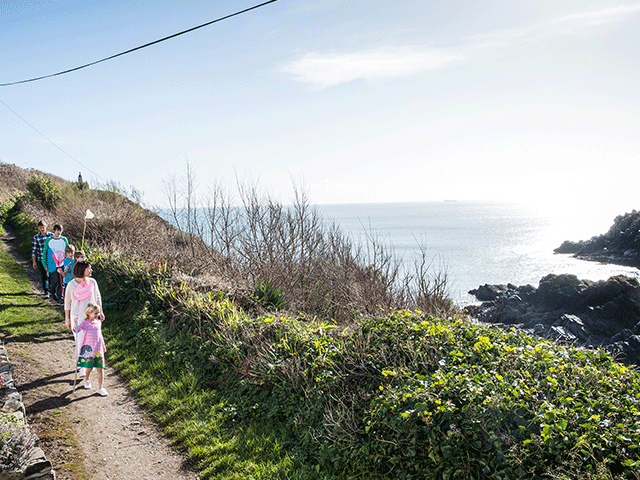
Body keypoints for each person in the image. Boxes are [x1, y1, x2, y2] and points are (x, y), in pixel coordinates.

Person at [64, 261, 103, 376]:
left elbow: (97, 298)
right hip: (78, 318)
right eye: (88, 269)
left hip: (92, 318)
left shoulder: (93, 282)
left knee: (92, 342)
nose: (91, 271)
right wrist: (67, 319)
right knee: (81, 343)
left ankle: (90, 364)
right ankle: (81, 367)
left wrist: (101, 312)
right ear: (82, 270)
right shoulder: (71, 285)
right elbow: (67, 303)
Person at [74, 302, 108, 396]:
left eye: (98, 313)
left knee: (100, 368)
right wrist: (75, 323)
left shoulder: (98, 323)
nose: (97, 315)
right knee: (89, 367)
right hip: (89, 350)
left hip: (98, 350)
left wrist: (103, 345)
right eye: (95, 313)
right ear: (88, 313)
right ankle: (87, 380)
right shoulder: (85, 323)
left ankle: (100, 388)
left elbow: (100, 335)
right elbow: (77, 330)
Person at [41, 224, 69, 303]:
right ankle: (52, 292)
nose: (58, 232)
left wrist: (66, 263)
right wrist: (45, 264)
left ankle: (60, 298)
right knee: (54, 281)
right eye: (57, 230)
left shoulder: (64, 240)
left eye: (60, 230)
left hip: (62, 264)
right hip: (52, 264)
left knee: (61, 282)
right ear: (54, 231)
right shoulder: (49, 240)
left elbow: (67, 251)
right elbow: (44, 253)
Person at [31, 220, 52, 298]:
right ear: (38, 228)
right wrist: (34, 262)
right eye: (40, 228)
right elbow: (34, 250)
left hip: (51, 259)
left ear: (46, 227)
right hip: (41, 259)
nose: (42, 229)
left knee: (52, 275)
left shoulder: (51, 236)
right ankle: (46, 291)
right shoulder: (36, 237)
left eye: (43, 227)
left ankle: (52, 291)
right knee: (45, 275)